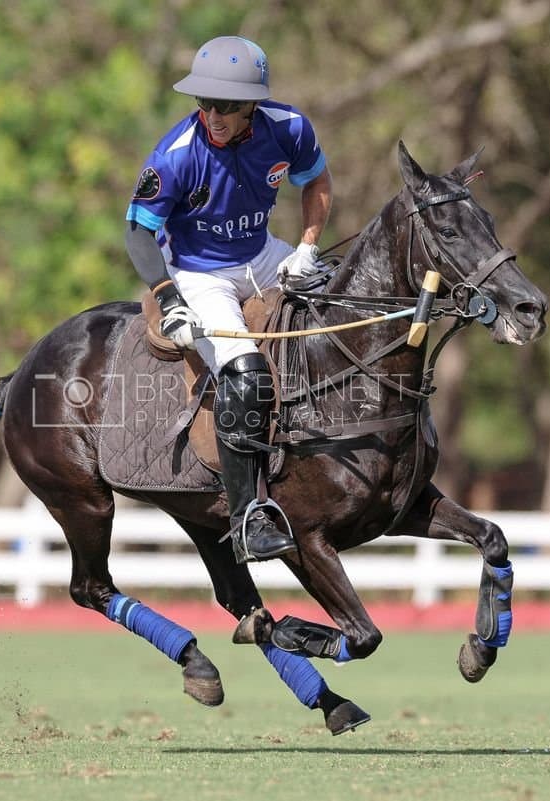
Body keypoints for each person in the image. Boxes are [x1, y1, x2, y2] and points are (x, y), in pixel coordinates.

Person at [124, 35, 333, 564]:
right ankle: (247, 517)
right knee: (245, 371)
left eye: (228, 106)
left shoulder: (288, 128)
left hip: (263, 254)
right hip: (199, 274)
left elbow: (318, 181)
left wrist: (308, 246)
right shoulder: (175, 156)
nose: (214, 115)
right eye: (205, 103)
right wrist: (170, 299)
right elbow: (137, 231)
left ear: (253, 105)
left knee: (341, 309)